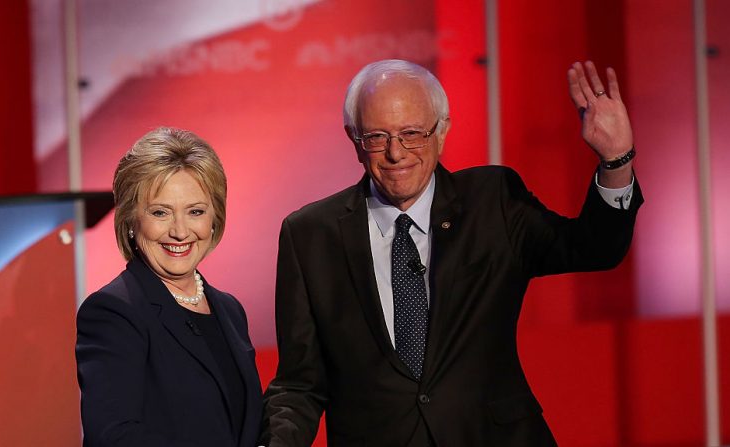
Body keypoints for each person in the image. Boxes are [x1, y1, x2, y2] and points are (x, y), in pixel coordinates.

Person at [261, 60, 642, 446]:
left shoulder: (493, 200)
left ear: (442, 131)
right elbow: (300, 383)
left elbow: (595, 248)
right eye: (377, 136)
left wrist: (616, 162)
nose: (396, 153)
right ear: (353, 138)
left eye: (412, 133)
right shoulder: (309, 235)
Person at [76, 127, 262, 447]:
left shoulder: (229, 310)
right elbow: (114, 436)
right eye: (160, 212)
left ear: (214, 218)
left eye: (195, 211)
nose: (179, 231)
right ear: (131, 221)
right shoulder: (113, 312)